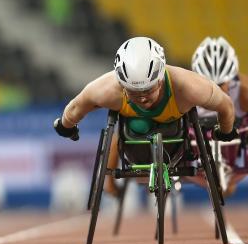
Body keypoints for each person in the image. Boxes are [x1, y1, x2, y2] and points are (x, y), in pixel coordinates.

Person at [53, 36, 237, 195]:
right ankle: (112, 184)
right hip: (134, 146)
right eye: (133, 91)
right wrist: (66, 126)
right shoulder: (106, 89)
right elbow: (75, 108)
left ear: (160, 78)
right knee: (123, 129)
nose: (142, 97)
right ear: (122, 84)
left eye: (148, 90)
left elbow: (226, 105)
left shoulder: (189, 86)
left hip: (177, 144)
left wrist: (225, 131)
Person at [190, 36, 248, 196]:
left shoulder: (243, 90)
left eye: (221, 85)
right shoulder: (187, 92)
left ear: (231, 78)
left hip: (234, 146)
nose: (215, 91)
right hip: (198, 146)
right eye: (209, 85)